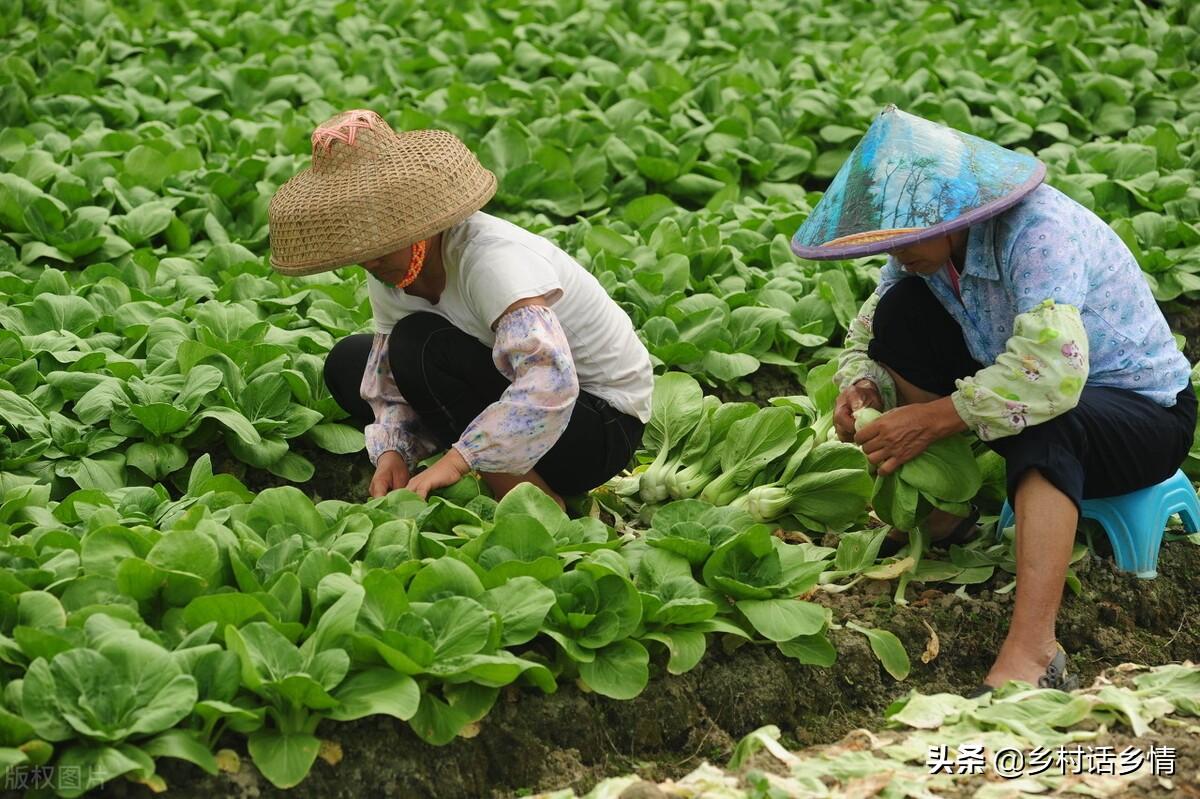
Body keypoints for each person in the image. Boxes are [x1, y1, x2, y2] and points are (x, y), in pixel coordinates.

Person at [791, 106, 1195, 695]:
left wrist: (930, 421)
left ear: (957, 211)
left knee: (1047, 422)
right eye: (896, 237)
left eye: (912, 235)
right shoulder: (924, 252)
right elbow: (866, 331)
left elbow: (1054, 374)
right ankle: (945, 511)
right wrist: (864, 385)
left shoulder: (1037, 232)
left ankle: (1036, 649)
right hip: (1036, 391)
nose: (902, 252)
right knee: (902, 313)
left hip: (1143, 415)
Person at [267, 110, 652, 507]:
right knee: (349, 362)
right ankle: (481, 453)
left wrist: (458, 460)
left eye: (382, 233)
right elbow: (388, 380)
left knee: (418, 344)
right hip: (512, 392)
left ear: (415, 217)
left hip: (597, 426)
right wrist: (393, 452)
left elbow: (550, 379)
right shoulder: (386, 266)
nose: (368, 257)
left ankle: (528, 494)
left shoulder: (490, 259)